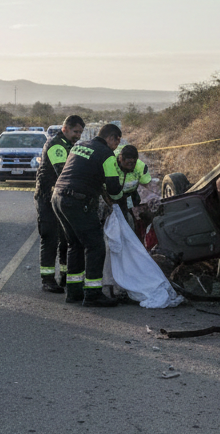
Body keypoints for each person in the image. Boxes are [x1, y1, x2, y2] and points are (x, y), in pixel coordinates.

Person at [51, 123, 124, 307]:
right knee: (95, 246)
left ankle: (74, 292)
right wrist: (122, 197)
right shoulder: (106, 154)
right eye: (117, 141)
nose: (117, 145)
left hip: (58, 198)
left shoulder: (80, 146)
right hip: (77, 201)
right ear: (112, 138)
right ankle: (92, 294)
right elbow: (114, 190)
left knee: (74, 244)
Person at [34, 114, 85, 293]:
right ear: (65, 129)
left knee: (66, 238)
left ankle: (65, 275)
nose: (78, 135)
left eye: (80, 132)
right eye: (75, 131)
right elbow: (63, 172)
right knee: (50, 237)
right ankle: (47, 279)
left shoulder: (69, 145)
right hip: (47, 198)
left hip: (61, 197)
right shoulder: (56, 145)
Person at [105, 144, 152, 225]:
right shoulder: (110, 165)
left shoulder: (140, 167)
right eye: (128, 163)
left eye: (133, 163)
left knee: (135, 210)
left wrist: (153, 197)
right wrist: (110, 202)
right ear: (120, 159)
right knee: (116, 216)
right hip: (112, 192)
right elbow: (102, 186)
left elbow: (149, 185)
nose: (131, 166)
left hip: (130, 192)